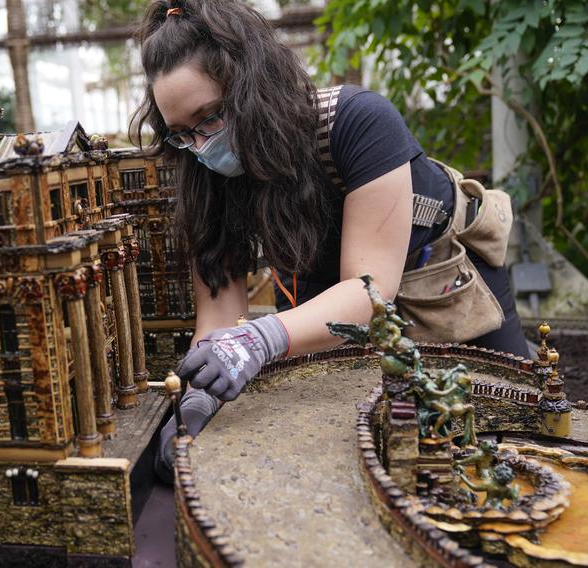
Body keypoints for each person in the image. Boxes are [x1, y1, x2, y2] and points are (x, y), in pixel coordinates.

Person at [130, 0, 529, 482]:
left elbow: (368, 290)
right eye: (182, 134)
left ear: (251, 87)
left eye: (210, 117)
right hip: (325, 299)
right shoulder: (205, 174)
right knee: (352, 442)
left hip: (443, 283)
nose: (200, 145)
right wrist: (197, 402)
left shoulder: (357, 123)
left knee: (508, 426)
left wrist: (261, 337)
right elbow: (219, 314)